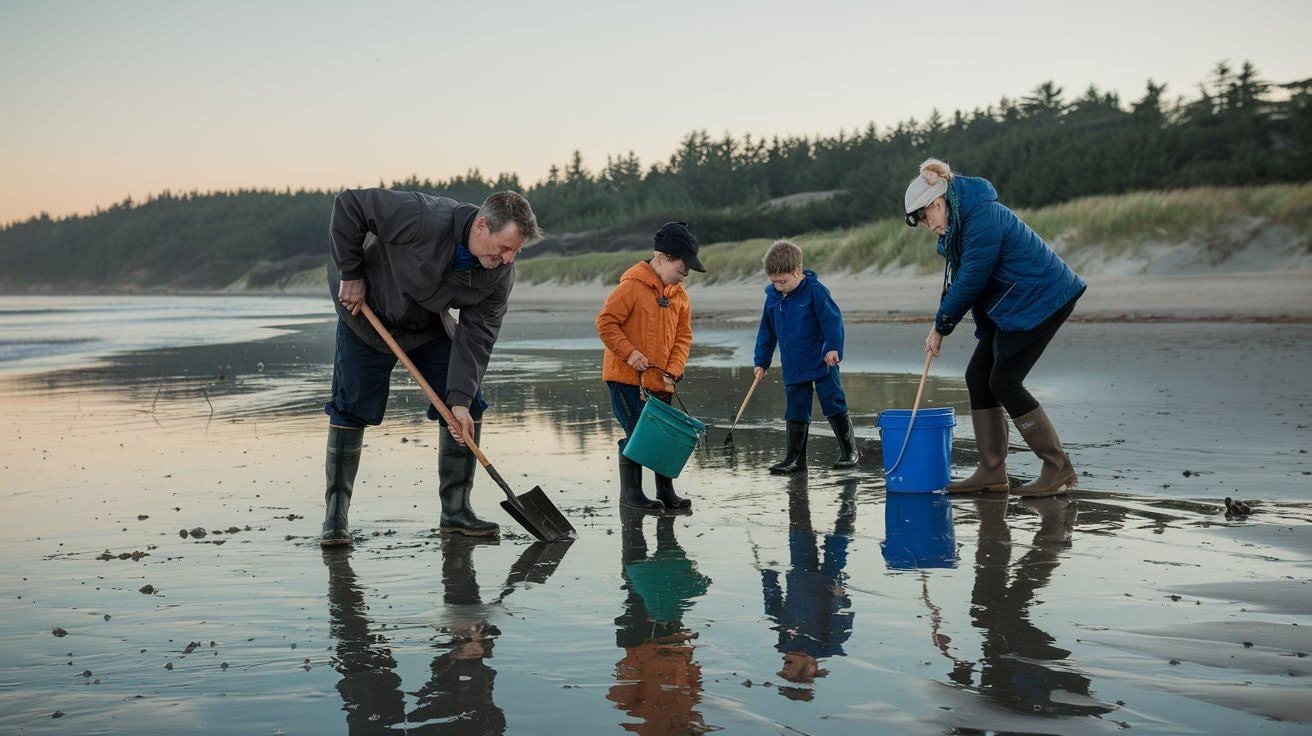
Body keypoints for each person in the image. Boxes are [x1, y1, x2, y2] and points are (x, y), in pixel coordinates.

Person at [320, 187, 541, 545]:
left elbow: (478, 335)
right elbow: (349, 205)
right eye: (504, 248)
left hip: (425, 324)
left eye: (515, 251)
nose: (508, 259)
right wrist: (351, 274)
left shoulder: (499, 274)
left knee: (467, 403)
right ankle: (335, 518)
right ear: (482, 226)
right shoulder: (421, 217)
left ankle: (456, 511)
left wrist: (458, 399)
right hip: (366, 313)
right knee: (351, 407)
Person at [904, 158, 1086, 497]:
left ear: (938, 203)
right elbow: (960, 280)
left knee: (1004, 381)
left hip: (1043, 298)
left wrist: (941, 326)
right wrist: (942, 323)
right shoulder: (959, 224)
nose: (928, 226)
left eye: (926, 217)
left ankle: (1058, 467)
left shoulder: (982, 218)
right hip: (1012, 307)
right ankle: (992, 470)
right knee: (978, 377)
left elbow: (973, 279)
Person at [595, 222, 702, 512]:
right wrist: (629, 354)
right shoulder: (631, 286)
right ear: (663, 257)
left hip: (662, 381)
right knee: (639, 434)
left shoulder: (679, 295)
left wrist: (675, 368)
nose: (685, 275)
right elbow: (606, 323)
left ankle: (666, 492)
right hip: (626, 379)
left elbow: (683, 336)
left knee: (664, 435)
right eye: (681, 268)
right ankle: (631, 494)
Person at [753, 240, 857, 473]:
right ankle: (796, 459)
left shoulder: (816, 291)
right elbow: (766, 331)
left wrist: (833, 348)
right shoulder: (772, 297)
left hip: (822, 360)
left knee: (833, 401)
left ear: (797, 272)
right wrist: (761, 361)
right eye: (774, 282)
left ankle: (849, 451)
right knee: (796, 408)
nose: (778, 286)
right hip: (793, 361)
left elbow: (832, 321)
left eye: (783, 281)